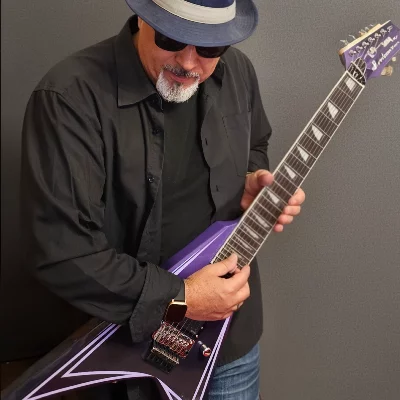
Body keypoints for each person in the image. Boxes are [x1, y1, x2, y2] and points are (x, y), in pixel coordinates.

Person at [20, 0, 305, 399]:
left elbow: (256, 143)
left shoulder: (237, 70)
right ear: (144, 17)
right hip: (128, 353)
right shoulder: (69, 98)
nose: (188, 63)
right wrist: (181, 299)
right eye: (171, 39)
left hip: (231, 341)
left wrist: (249, 179)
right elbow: (63, 253)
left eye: (209, 48)